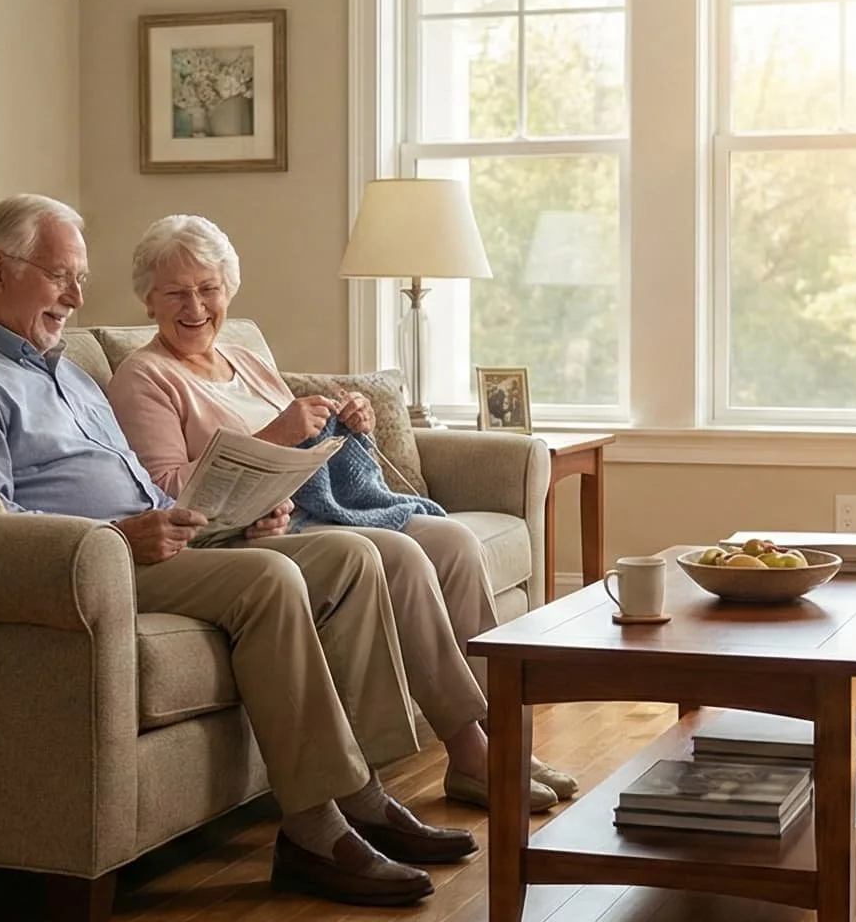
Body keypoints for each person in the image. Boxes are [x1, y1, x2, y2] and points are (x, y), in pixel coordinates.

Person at [0, 194, 475, 908]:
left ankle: (363, 792)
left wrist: (231, 522)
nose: (78, 298)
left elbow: (152, 490)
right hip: (91, 568)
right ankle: (315, 828)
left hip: (162, 544)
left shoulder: (69, 372)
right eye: (62, 278)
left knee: (352, 558)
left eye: (80, 278)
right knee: (268, 581)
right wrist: (116, 540)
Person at [106, 214, 579, 813]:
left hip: (317, 510)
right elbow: (170, 491)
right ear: (148, 300)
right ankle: (468, 753)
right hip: (253, 535)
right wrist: (280, 432)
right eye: (176, 292)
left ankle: (502, 736)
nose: (195, 305)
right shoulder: (145, 378)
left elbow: (309, 452)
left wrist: (348, 421)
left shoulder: (246, 360)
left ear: (229, 289)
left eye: (209, 288)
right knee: (402, 556)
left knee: (452, 542)